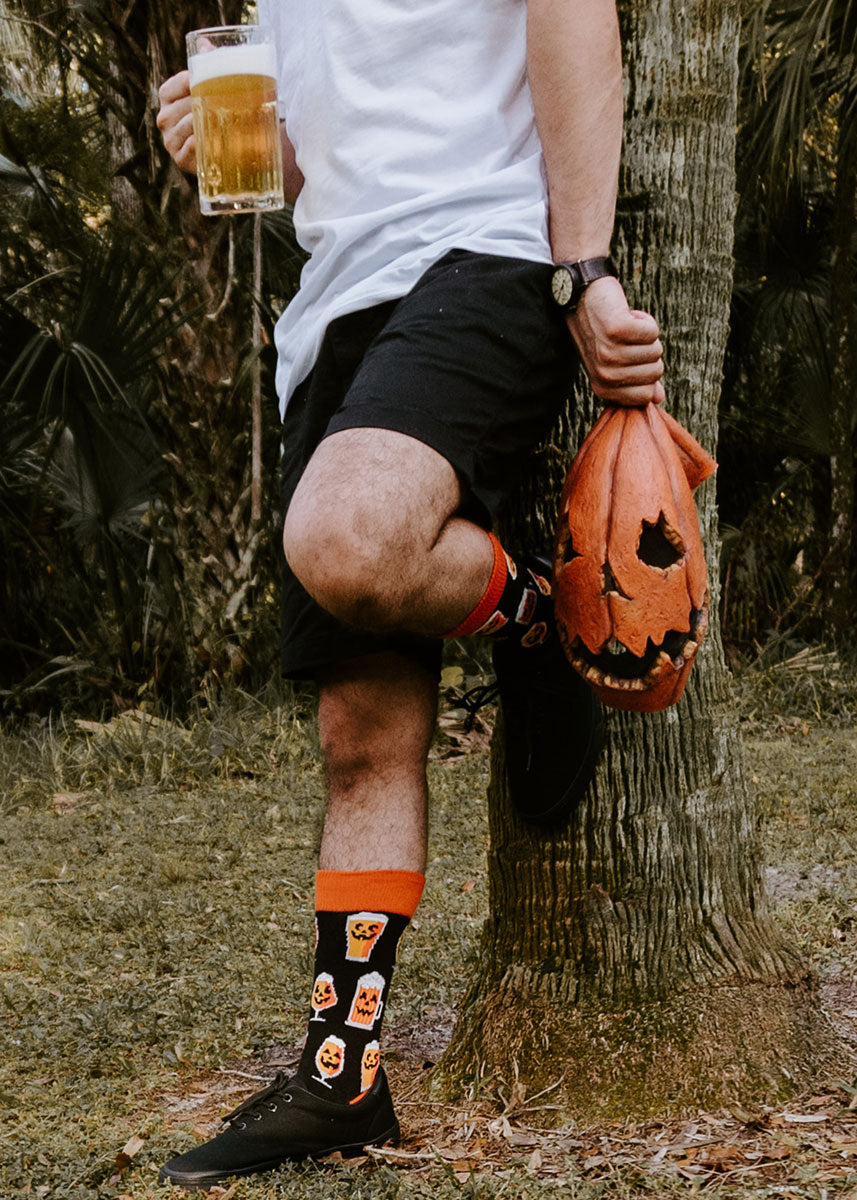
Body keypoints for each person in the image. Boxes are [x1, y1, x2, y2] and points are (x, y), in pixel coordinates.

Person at [156, 0, 664, 1187]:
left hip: (479, 253)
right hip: (332, 304)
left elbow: (572, 13)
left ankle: (534, 613)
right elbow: (320, 157)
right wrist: (231, 138)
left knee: (347, 542)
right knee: (361, 734)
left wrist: (583, 268)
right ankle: (343, 1080)